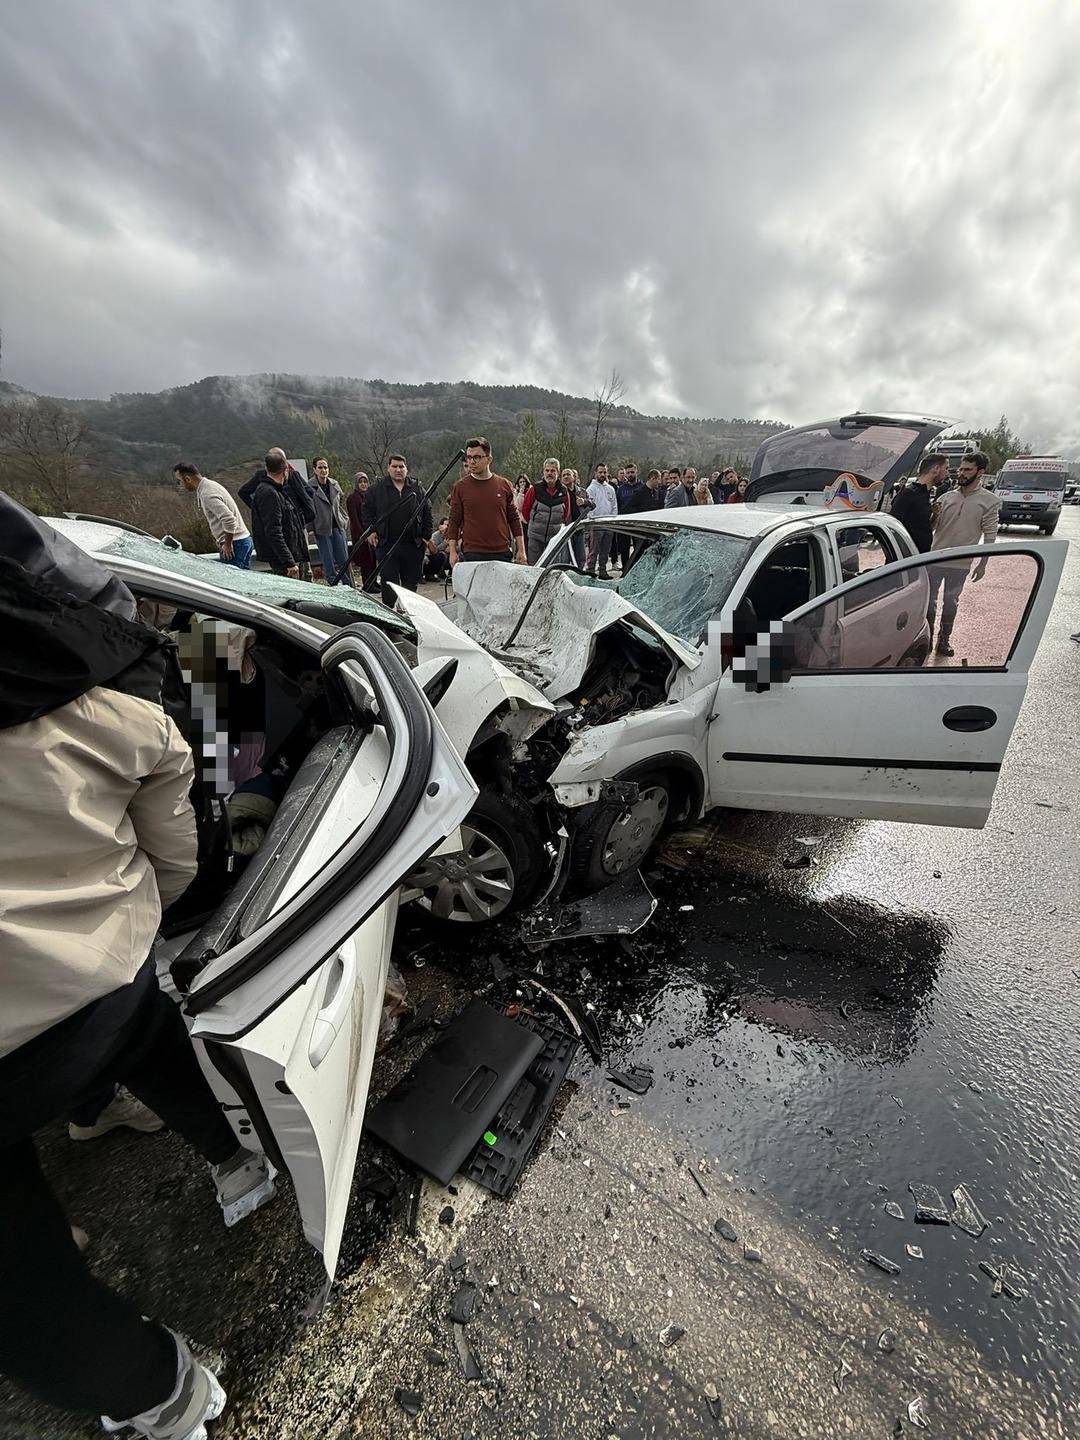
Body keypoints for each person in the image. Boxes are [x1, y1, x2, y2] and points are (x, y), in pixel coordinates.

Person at [0, 495, 274, 1438]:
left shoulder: (170, 678)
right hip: (106, 986)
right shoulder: (119, 701)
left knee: (20, 1283)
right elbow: (186, 846)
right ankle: (235, 1165)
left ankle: (158, 1394)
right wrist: (135, 915)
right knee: (152, 1044)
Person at [926, 451, 999, 657]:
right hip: (935, 558)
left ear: (980, 472)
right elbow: (932, 527)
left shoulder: (989, 501)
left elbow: (990, 535)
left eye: (967, 470)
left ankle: (944, 641)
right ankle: (928, 638)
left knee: (951, 602)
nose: (961, 473)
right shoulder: (946, 497)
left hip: (960, 564)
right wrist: (934, 515)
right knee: (929, 601)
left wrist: (983, 564)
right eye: (960, 469)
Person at [446, 437, 526, 566]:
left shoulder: (504, 485)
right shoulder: (460, 487)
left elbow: (514, 519)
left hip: (501, 552)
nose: (472, 461)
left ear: (489, 459)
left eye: (477, 457)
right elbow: (454, 520)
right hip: (472, 553)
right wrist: (452, 551)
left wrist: (521, 550)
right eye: (469, 457)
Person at [365, 454, 433, 605]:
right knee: (389, 582)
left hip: (412, 544)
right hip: (387, 543)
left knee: (411, 583)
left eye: (401, 466)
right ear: (388, 468)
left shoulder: (416, 488)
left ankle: (408, 613)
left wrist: (426, 536)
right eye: (394, 466)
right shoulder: (377, 489)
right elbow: (367, 511)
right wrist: (371, 531)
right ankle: (390, 616)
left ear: (406, 469)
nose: (398, 470)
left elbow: (427, 511)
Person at [240, 448, 315, 579]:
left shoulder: (274, 489)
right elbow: (274, 532)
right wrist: (289, 563)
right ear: (285, 470)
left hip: (291, 543)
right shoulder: (270, 493)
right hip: (282, 556)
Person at [173, 463, 253, 568]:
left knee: (230, 583)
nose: (181, 485)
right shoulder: (210, 485)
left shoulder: (207, 494)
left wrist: (227, 544)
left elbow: (229, 519)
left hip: (235, 545)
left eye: (180, 481)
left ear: (187, 479)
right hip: (243, 540)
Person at [889, 453, 948, 554]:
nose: (947, 473)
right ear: (936, 468)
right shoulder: (908, 493)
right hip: (905, 561)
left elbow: (924, 528)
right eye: (946, 468)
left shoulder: (925, 494)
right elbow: (892, 528)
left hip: (919, 559)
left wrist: (935, 515)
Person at [309, 457, 354, 587]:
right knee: (328, 560)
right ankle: (333, 585)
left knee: (344, 559)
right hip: (322, 527)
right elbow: (306, 507)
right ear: (314, 469)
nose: (323, 470)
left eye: (325, 467)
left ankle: (349, 586)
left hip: (337, 525)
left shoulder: (334, 483)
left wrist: (343, 517)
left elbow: (340, 501)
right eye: (320, 467)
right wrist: (310, 526)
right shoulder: (309, 486)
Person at [522, 457, 571, 563]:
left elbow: (566, 514)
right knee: (534, 568)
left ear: (558, 472)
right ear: (543, 471)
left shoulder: (564, 491)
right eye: (547, 470)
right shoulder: (534, 489)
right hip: (535, 537)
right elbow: (525, 511)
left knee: (552, 568)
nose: (549, 473)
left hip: (554, 539)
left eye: (553, 471)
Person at [346, 471, 378, 591]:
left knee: (373, 559)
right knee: (366, 561)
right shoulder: (352, 498)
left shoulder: (369, 496)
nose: (363, 484)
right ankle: (368, 584)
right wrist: (363, 535)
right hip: (360, 534)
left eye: (365, 482)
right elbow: (354, 519)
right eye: (360, 482)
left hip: (372, 533)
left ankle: (374, 582)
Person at [585, 464, 618, 578]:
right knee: (594, 549)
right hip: (596, 523)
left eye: (604, 472)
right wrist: (592, 521)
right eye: (600, 472)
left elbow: (614, 506)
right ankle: (590, 570)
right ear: (596, 473)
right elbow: (589, 507)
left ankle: (603, 570)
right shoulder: (591, 489)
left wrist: (613, 520)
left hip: (608, 524)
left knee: (606, 549)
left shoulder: (610, 489)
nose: (602, 474)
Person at [562, 466, 592, 568]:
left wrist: (584, 502)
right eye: (563, 475)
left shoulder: (582, 492)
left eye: (568, 474)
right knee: (565, 558)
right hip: (566, 529)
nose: (566, 477)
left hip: (579, 528)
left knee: (581, 557)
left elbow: (593, 505)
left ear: (574, 477)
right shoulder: (560, 493)